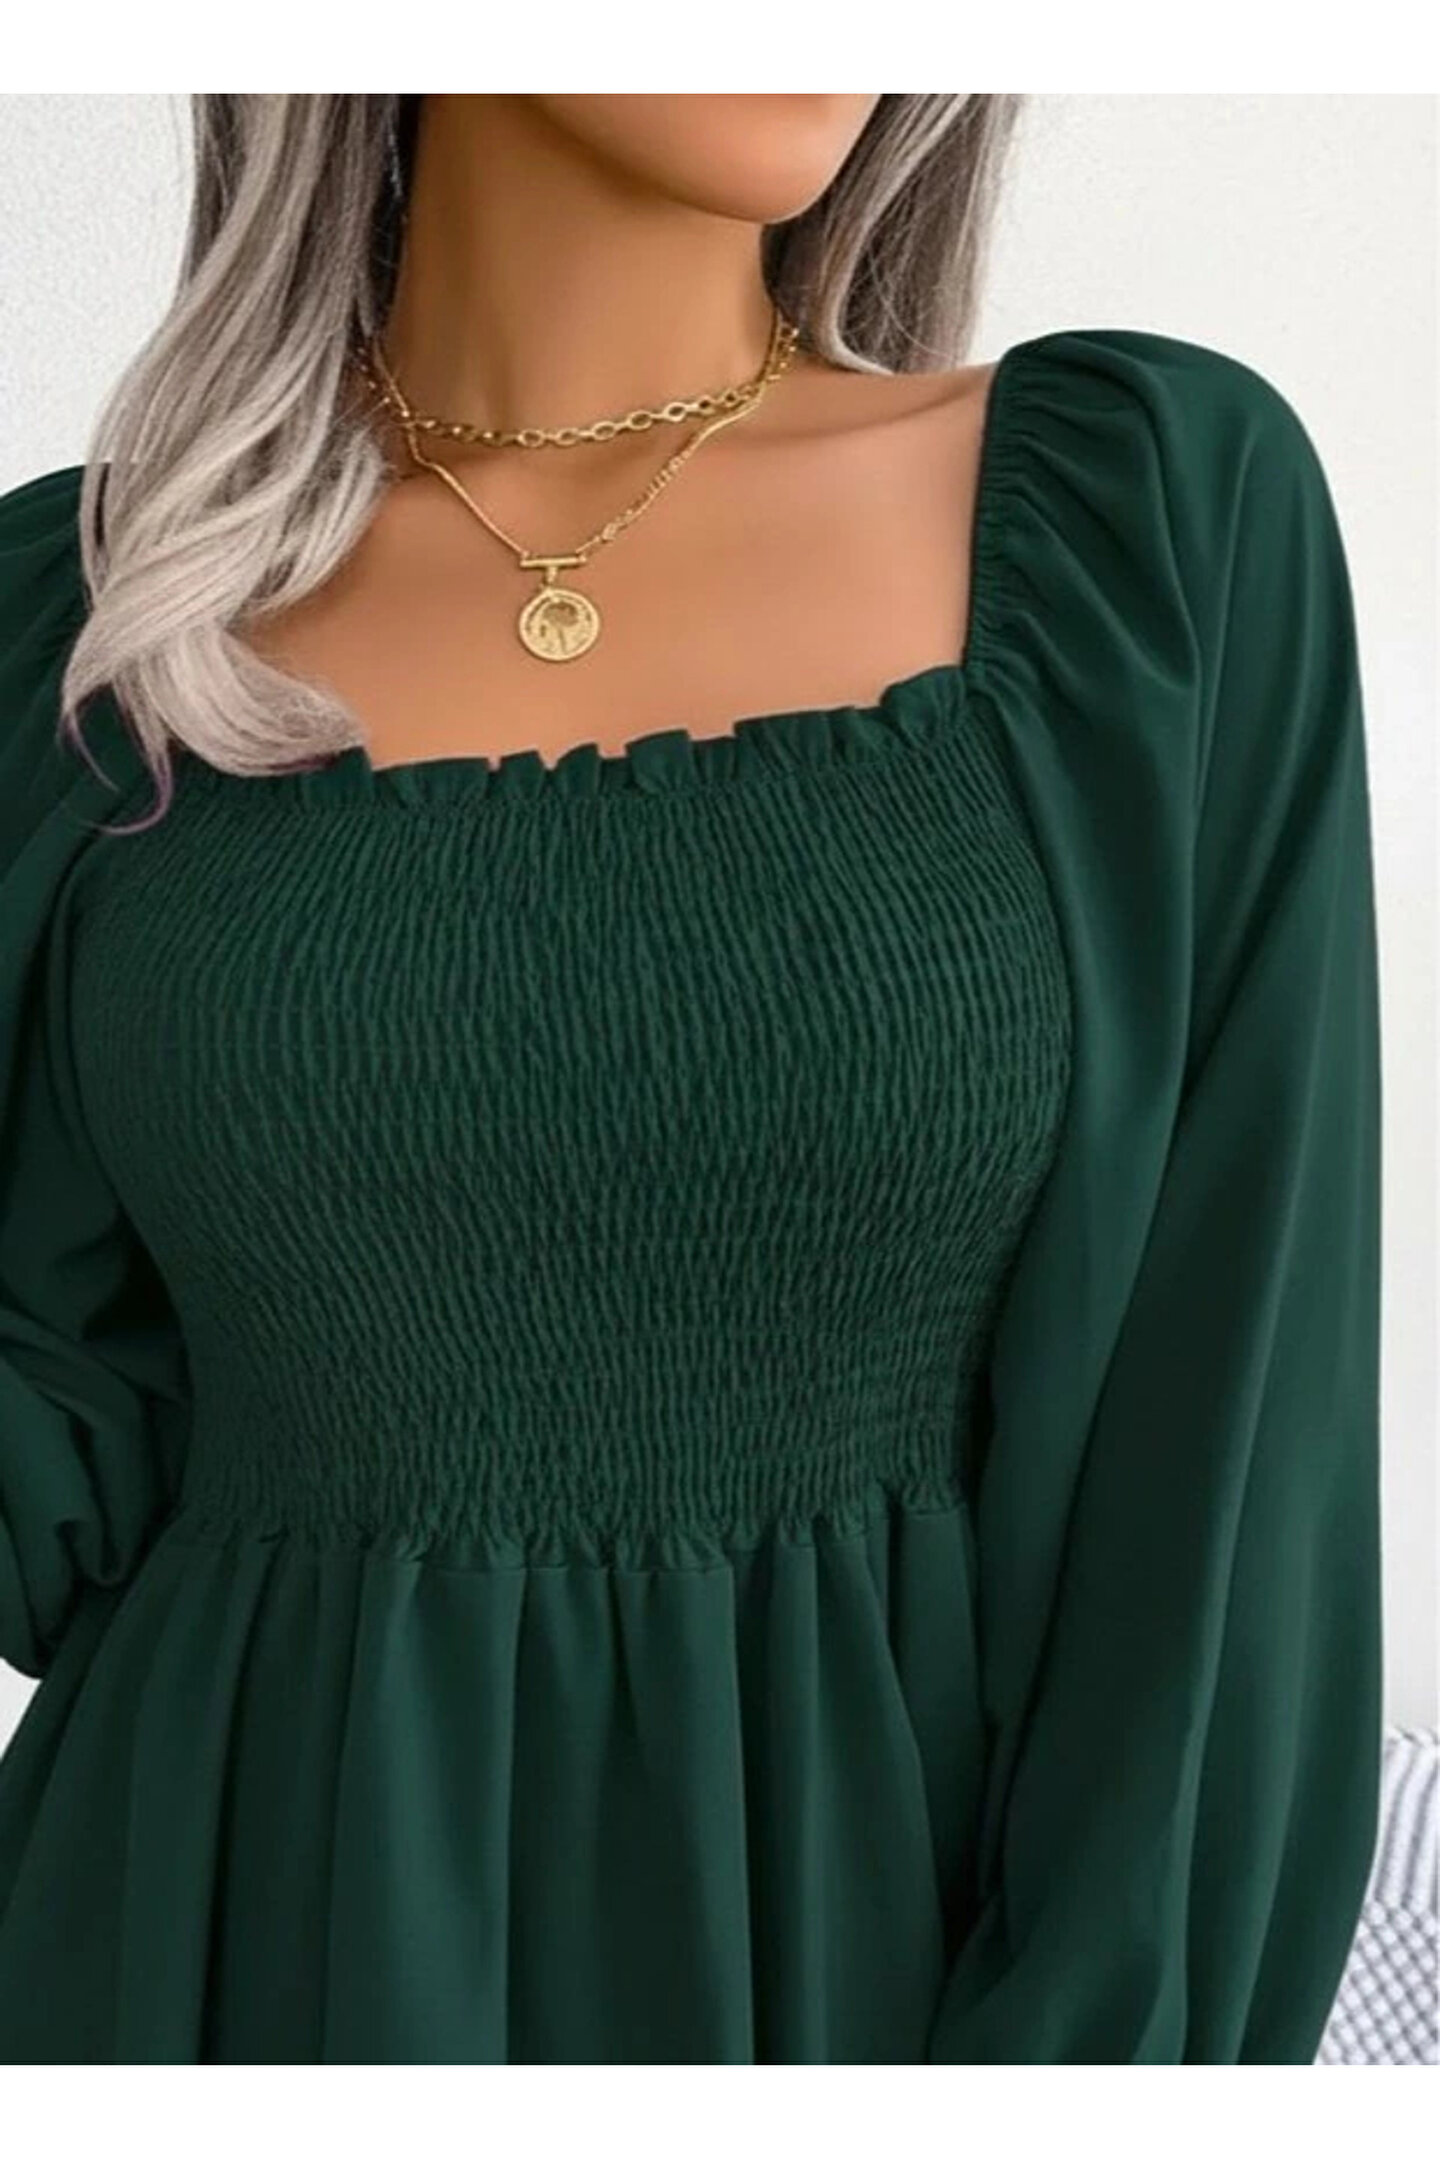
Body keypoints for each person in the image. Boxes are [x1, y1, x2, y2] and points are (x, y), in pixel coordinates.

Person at [0, 93, 1383, 2064]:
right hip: (191, 1979)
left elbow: (1221, 1542)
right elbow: (59, 1464)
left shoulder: (1146, 531)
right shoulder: (83, 623)